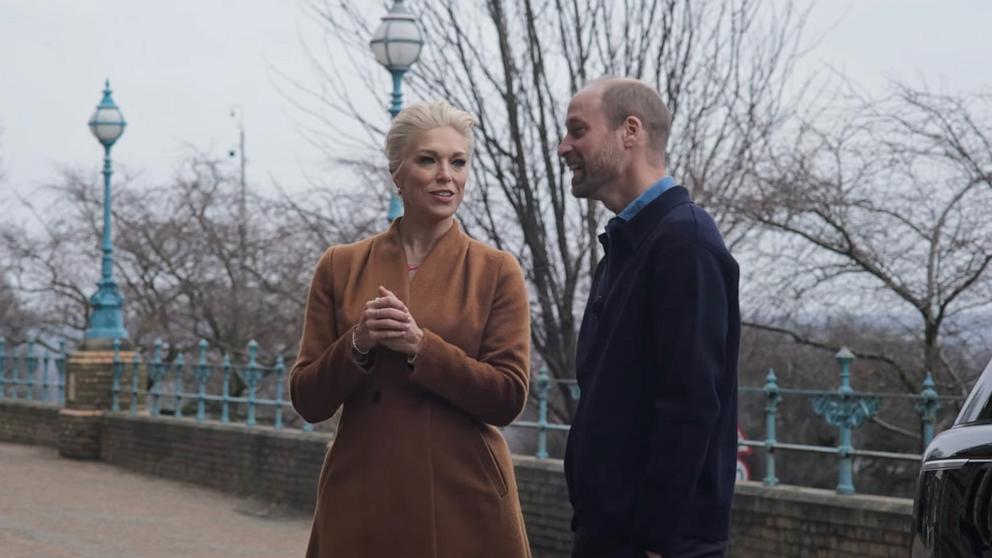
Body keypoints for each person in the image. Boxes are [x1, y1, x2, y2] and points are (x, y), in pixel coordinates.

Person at [290, 100, 532, 558]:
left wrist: (423, 348)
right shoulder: (340, 265)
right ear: (397, 173)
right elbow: (307, 398)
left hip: (464, 498)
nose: (446, 174)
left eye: (458, 162)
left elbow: (507, 397)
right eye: (428, 160)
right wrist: (357, 344)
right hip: (361, 495)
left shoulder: (496, 270)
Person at [559, 77, 740, 558]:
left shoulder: (685, 243)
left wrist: (655, 539)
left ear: (630, 131)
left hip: (656, 545)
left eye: (578, 131)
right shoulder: (625, 245)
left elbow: (691, 403)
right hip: (613, 534)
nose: (564, 147)